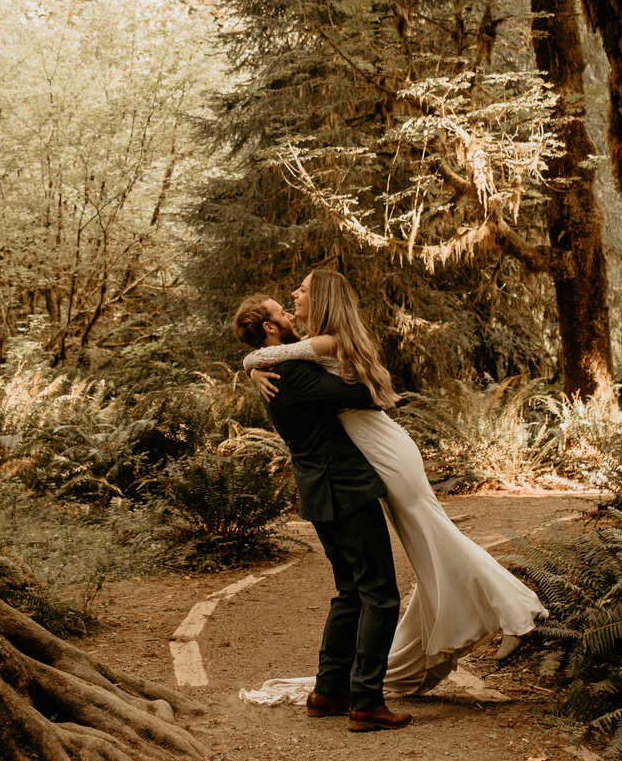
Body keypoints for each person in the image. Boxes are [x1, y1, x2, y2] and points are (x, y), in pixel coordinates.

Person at [232, 269, 545, 702]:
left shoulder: (319, 345)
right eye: (286, 301)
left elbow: (358, 393)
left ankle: (517, 614)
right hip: (371, 449)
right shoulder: (302, 355)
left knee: (436, 536)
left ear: (322, 298)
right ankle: (466, 628)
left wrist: (253, 362)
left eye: (300, 292)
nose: (292, 298)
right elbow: (293, 362)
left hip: (383, 448)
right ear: (270, 326)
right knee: (426, 547)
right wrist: (254, 365)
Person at [240, 275, 413, 733]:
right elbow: (360, 395)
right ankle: (367, 702)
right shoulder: (292, 372)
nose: (290, 315)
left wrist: (251, 363)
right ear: (270, 331)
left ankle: (329, 691)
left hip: (319, 490)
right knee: (380, 592)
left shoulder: (275, 369)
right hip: (344, 489)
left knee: (351, 592)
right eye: (282, 314)